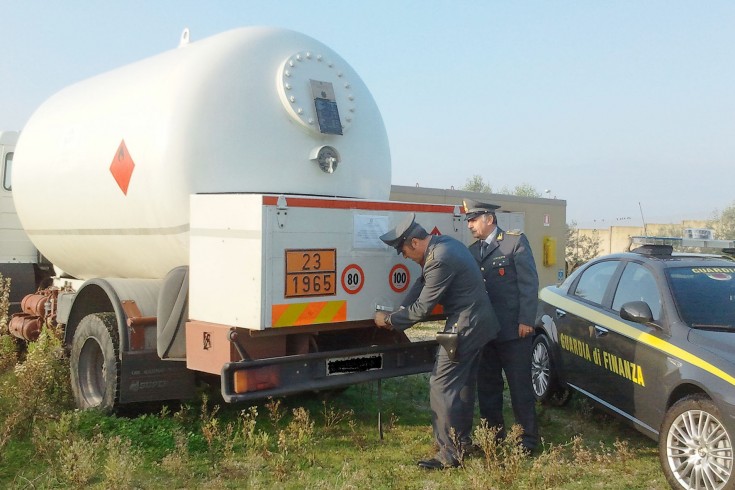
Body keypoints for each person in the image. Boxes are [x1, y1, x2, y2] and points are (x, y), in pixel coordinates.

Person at [374, 212, 500, 470]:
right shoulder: (445, 245)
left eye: (405, 253)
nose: (406, 258)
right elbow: (421, 285)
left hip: (466, 326)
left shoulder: (439, 259)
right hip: (475, 323)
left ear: (415, 243)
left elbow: (422, 309)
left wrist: (389, 321)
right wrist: (399, 310)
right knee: (462, 384)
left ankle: (448, 454)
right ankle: (461, 443)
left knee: (441, 383)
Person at [463, 198, 540, 453]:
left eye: (474, 220)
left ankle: (527, 440)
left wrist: (527, 320)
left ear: (489, 219)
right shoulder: (473, 252)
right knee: (487, 388)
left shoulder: (514, 242)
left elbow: (528, 284)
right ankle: (492, 438)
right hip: (486, 333)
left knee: (520, 388)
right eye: (468, 221)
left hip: (514, 332)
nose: (470, 225)